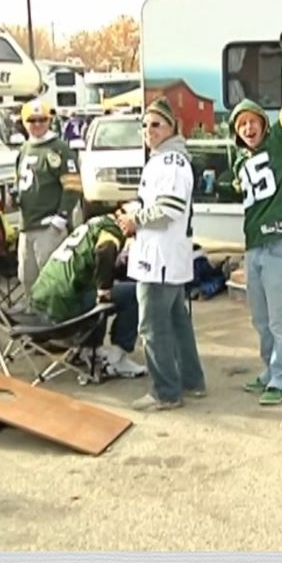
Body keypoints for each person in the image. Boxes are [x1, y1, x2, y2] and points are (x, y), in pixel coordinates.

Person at [229, 28, 282, 406]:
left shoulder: (280, 141)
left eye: (252, 120)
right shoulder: (240, 160)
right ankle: (269, 366)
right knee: (260, 320)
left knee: (280, 319)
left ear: (263, 123)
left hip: (280, 245)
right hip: (255, 247)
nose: (247, 127)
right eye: (240, 124)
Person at [117, 97, 205, 411]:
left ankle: (166, 392)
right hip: (167, 256)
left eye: (156, 124)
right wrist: (136, 209)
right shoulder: (166, 159)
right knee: (177, 321)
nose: (148, 130)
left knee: (152, 326)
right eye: (144, 125)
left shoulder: (170, 162)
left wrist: (134, 220)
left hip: (158, 260)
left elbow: (170, 208)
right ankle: (192, 381)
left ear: (172, 127)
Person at [28, 211, 145, 378]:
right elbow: (105, 251)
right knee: (133, 292)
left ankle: (90, 348)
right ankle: (118, 359)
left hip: (40, 301)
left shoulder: (90, 226)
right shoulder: (111, 230)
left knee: (97, 287)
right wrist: (104, 291)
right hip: (62, 307)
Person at [14, 98, 82, 306]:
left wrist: (61, 218)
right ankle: (36, 326)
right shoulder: (24, 148)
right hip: (27, 226)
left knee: (52, 280)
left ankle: (59, 327)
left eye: (42, 119)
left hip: (48, 226)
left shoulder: (59, 148)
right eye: (32, 120)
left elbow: (73, 186)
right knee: (27, 279)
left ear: (49, 120)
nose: (37, 125)